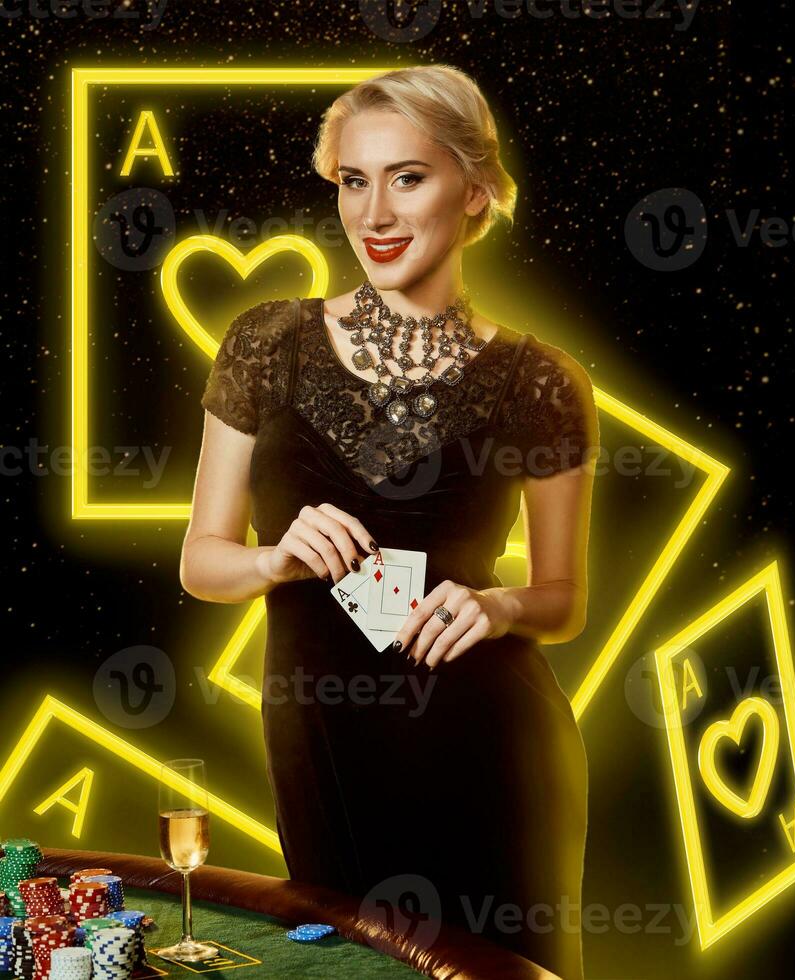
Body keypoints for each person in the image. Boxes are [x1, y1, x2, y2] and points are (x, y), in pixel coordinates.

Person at [179, 64, 596, 980]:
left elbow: (564, 600)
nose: (374, 214)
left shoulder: (541, 379)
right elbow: (201, 562)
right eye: (353, 181)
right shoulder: (266, 342)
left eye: (408, 177)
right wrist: (272, 561)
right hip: (320, 735)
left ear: (475, 189)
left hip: (490, 746)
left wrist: (502, 606)